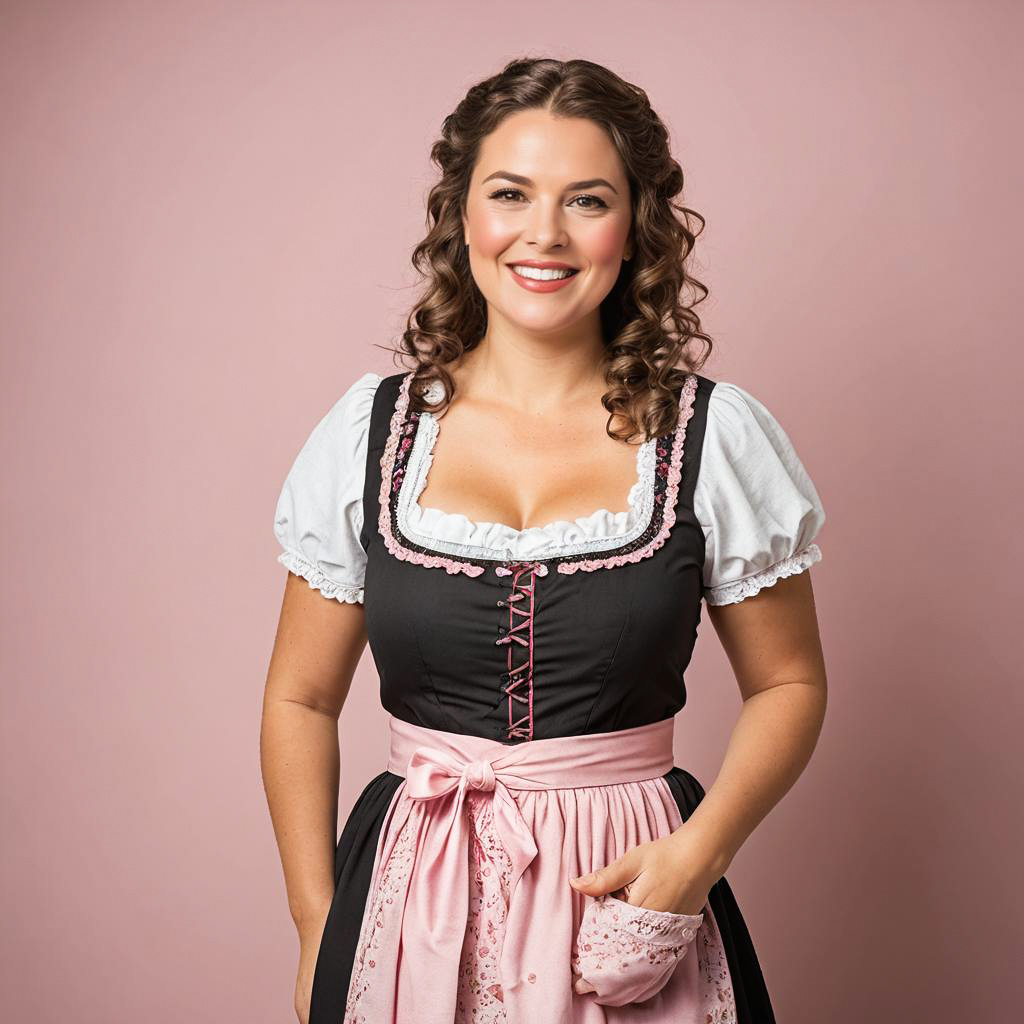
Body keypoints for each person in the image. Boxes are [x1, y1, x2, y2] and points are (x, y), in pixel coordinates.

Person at [262, 57, 828, 1024]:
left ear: (635, 227)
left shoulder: (713, 436)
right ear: (462, 215)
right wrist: (319, 921)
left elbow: (790, 682)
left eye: (587, 200)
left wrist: (699, 856)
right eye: (511, 193)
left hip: (630, 887)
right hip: (410, 899)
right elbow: (301, 697)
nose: (545, 234)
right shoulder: (370, 432)